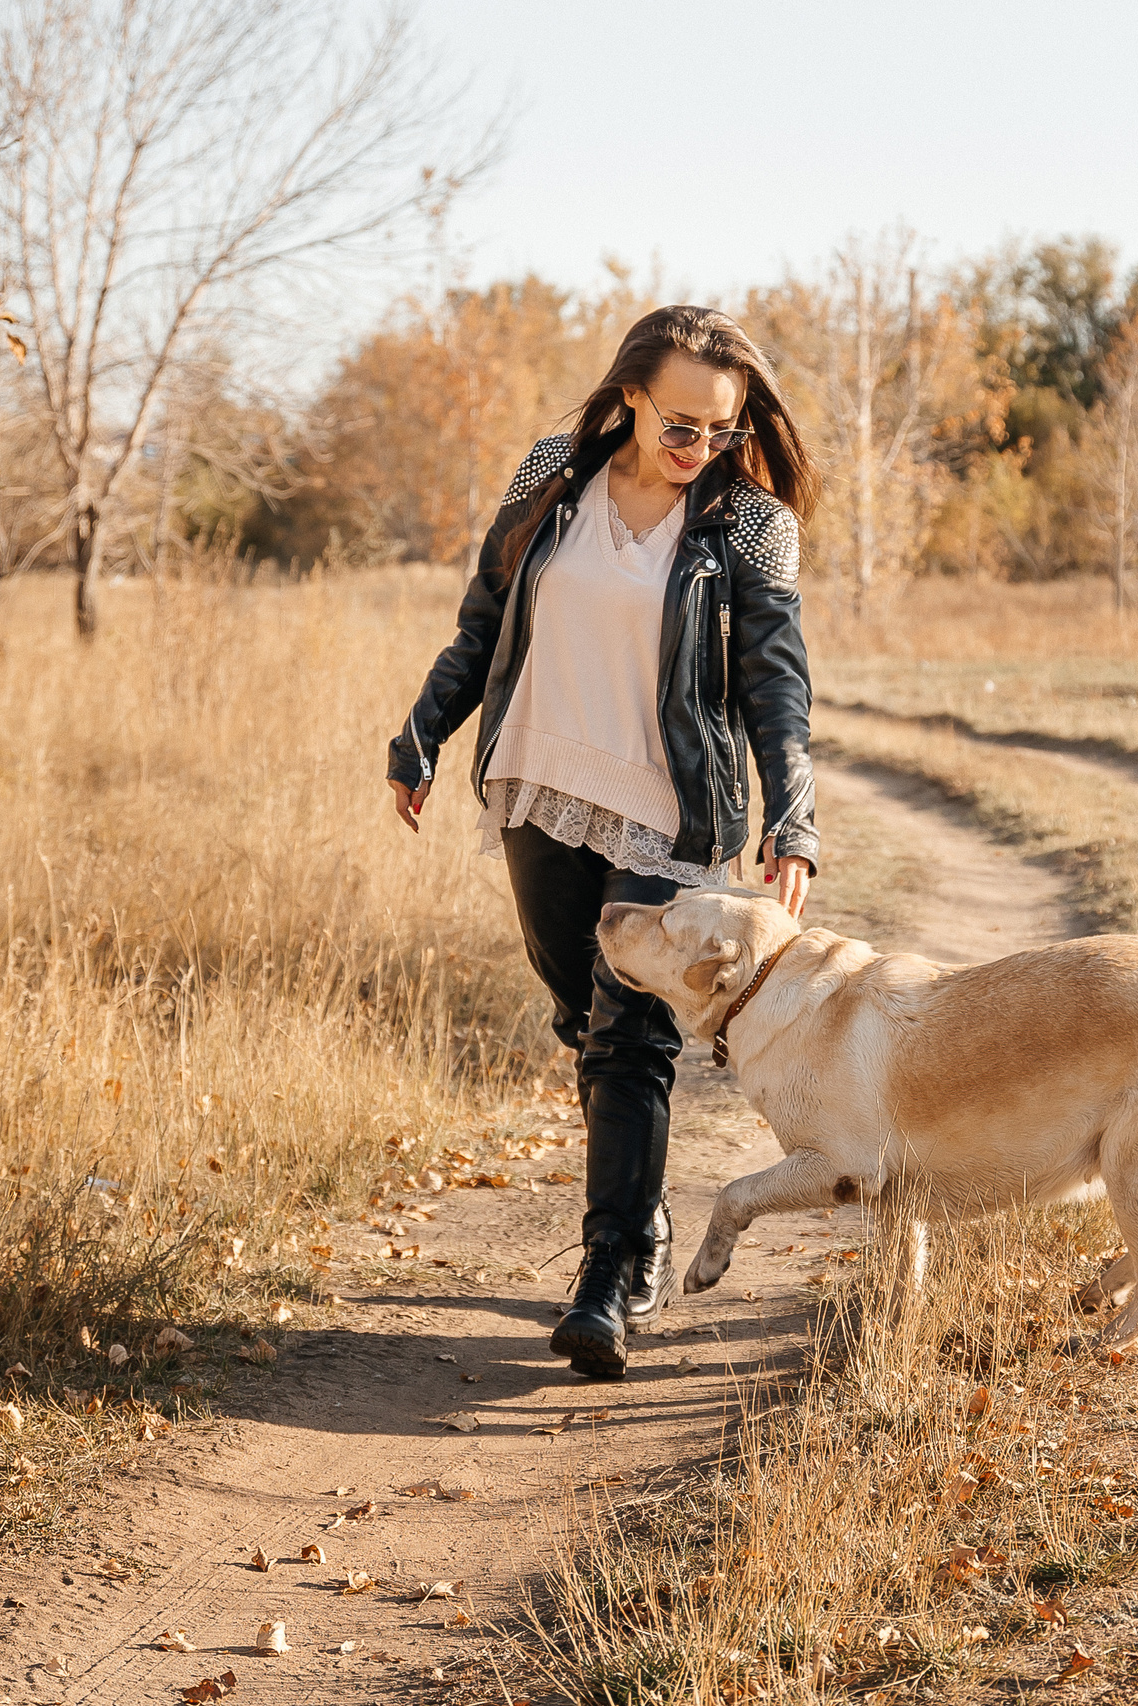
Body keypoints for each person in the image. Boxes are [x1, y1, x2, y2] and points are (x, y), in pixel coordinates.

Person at [386, 305, 820, 1379]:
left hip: (673, 810)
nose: (701, 449)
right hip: (539, 776)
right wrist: (423, 729)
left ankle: (605, 1271)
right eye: (681, 426)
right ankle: (643, 1225)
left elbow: (776, 680)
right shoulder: (551, 475)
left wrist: (792, 811)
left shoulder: (749, 523)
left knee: (629, 1034)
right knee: (583, 1010)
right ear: (629, 395)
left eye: (721, 431)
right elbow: (485, 615)